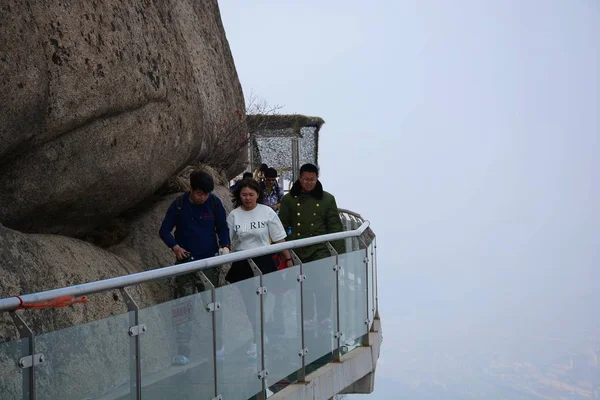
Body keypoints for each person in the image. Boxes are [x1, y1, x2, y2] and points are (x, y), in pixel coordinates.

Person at [159, 170, 231, 365]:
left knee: (213, 305)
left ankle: (218, 346)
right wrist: (175, 247)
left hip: (209, 264)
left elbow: (222, 227)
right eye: (200, 193)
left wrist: (225, 245)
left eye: (206, 194)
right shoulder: (180, 205)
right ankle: (183, 350)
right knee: (183, 307)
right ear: (192, 189)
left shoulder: (214, 203)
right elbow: (164, 230)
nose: (203, 198)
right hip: (186, 264)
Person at [225, 178, 293, 359]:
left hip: (264, 261)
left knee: (264, 302)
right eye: (244, 195)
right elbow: (227, 240)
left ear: (258, 195)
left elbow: (279, 238)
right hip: (242, 262)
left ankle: (261, 336)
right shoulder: (234, 215)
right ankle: (258, 336)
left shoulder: (267, 212)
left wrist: (288, 259)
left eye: (251, 195)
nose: (247, 198)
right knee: (250, 303)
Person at [278, 163, 344, 330]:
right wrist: (284, 253)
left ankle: (323, 317)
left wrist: (339, 255)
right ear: (299, 178)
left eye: (312, 179)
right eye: (305, 179)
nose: (308, 183)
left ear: (317, 179)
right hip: (298, 248)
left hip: (320, 248)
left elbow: (335, 227)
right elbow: (281, 227)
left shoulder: (327, 199)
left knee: (324, 283)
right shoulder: (288, 200)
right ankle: (307, 318)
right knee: (303, 285)